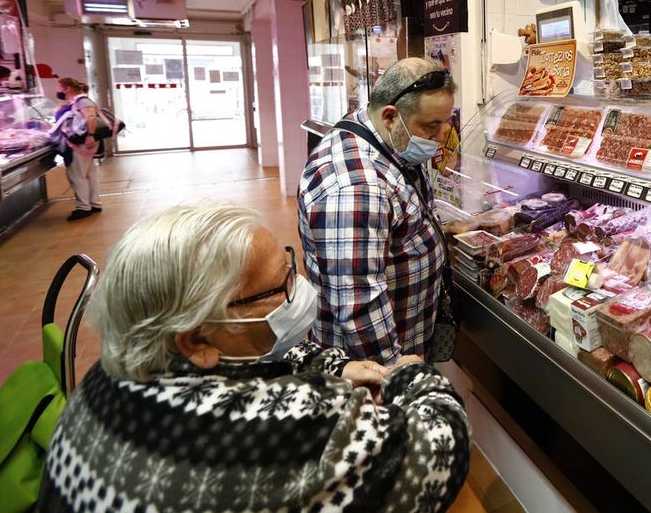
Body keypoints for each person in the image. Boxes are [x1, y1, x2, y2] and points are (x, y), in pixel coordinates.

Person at [38, 204, 470, 513]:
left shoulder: (109, 373)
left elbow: (248, 357)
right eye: (280, 288)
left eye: (291, 268)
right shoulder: (288, 423)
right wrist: (410, 374)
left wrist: (333, 365)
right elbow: (443, 452)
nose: (298, 290)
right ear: (197, 339)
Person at [298, 57, 456, 363]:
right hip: (371, 370)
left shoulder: (382, 138)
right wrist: (396, 374)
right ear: (390, 116)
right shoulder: (356, 187)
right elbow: (359, 304)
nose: (441, 136)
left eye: (444, 122)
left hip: (407, 339)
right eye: (431, 125)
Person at [53, 77, 102, 220]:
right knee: (88, 174)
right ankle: (94, 203)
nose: (58, 91)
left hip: (80, 143)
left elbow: (91, 117)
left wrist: (90, 136)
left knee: (77, 175)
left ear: (67, 88)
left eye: (59, 87)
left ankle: (83, 207)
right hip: (83, 142)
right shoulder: (76, 102)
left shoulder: (82, 101)